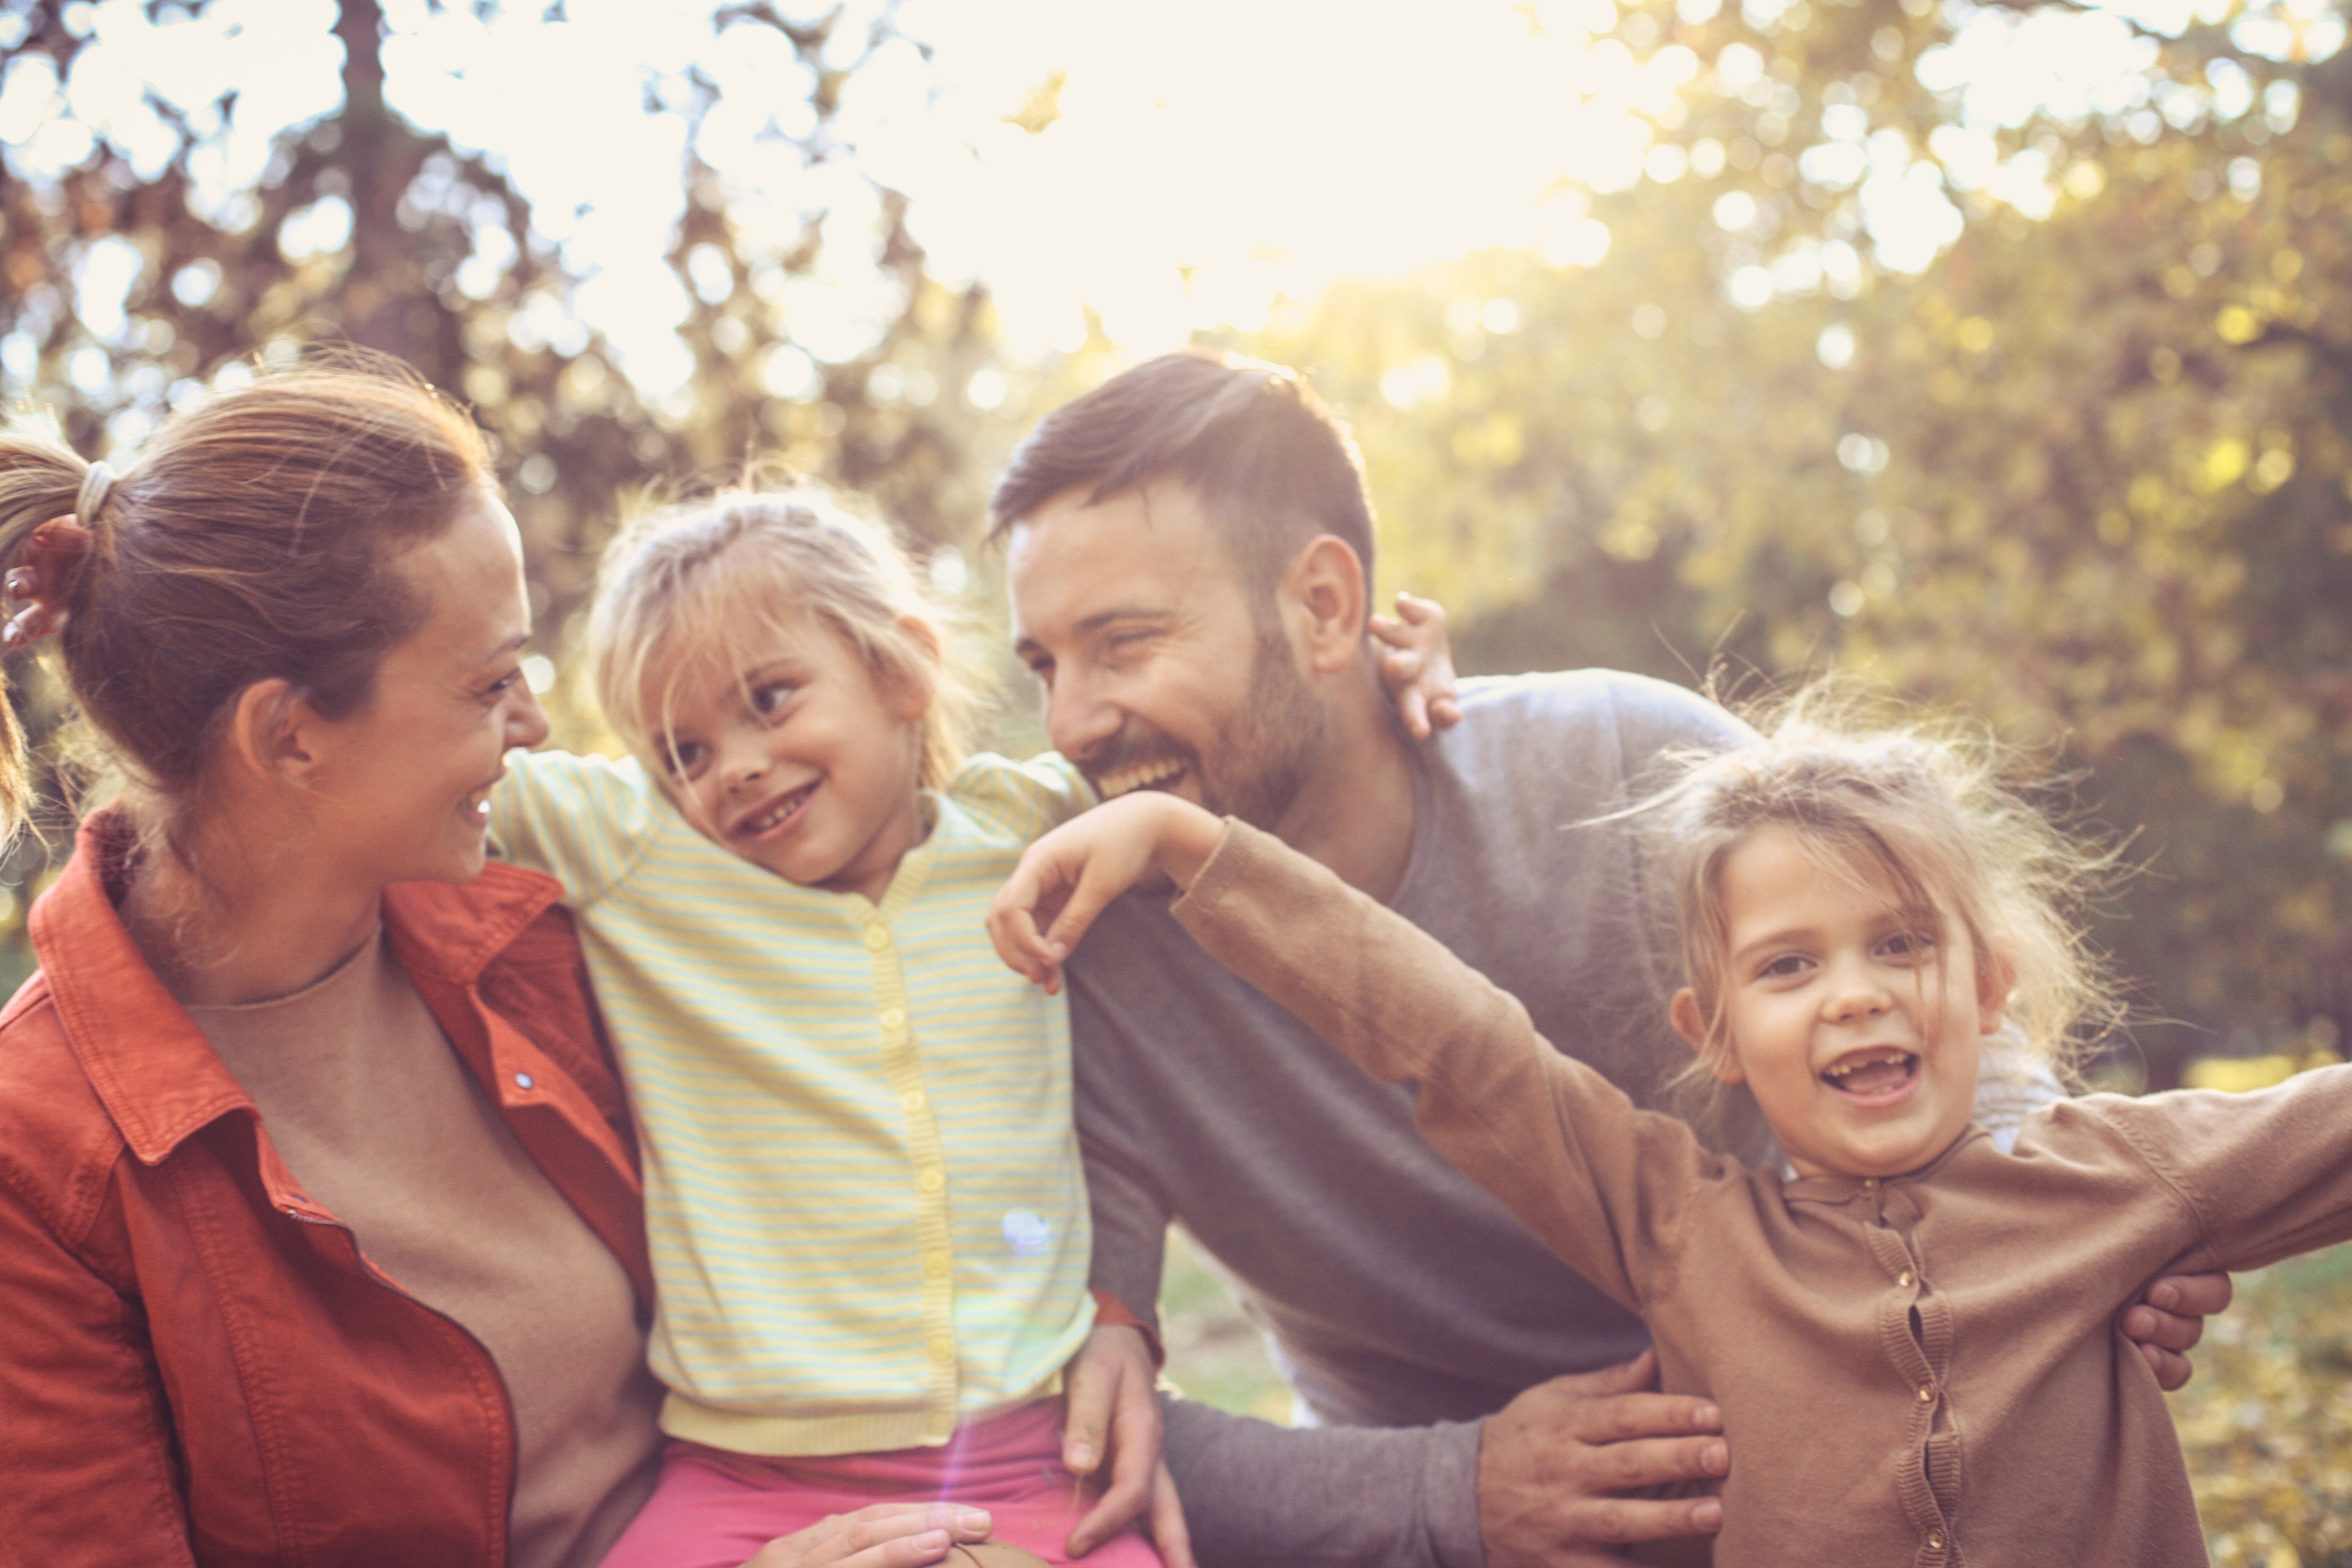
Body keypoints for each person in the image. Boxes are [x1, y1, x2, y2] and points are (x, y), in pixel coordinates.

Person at [985, 349, 2234, 1567]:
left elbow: (1961, 1039)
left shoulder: (1634, 769)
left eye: (1126, 642)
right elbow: (1060, 1432)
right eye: (1044, 663)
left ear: (1325, 606)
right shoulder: (1073, 935)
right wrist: (1452, 1494)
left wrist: (2049, 1223)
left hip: (1837, 1467)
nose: (1071, 723)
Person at [0, 362, 998, 1568]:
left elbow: (910, 1065)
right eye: (487, 683)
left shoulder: (542, 916)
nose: (533, 723)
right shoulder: (36, 1163)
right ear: (292, 736)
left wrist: (1102, 1318)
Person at [986, 691, 2352, 1566]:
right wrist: (1190, 843)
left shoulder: (2120, 1179)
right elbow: (1452, 1036)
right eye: (1788, 966)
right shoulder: (1678, 1227)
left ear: (1988, 989)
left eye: (1899, 943)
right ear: (1714, 1037)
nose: (1855, 993)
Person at [485, 489, 1453, 1568]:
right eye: (686, 755)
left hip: (1036, 1467)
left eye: (770, 698)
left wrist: (1383, 661)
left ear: (900, 670)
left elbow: (1224, 741)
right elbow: (442, 759)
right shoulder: (638, 853)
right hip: (740, 1476)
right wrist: (499, 698)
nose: (735, 767)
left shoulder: (1030, 827)